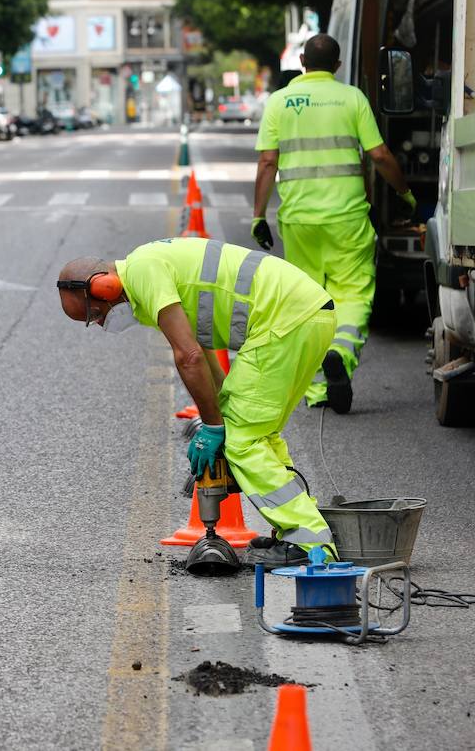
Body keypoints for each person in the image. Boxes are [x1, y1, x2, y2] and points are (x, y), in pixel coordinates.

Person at [57, 238, 338, 567]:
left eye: (95, 315)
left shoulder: (144, 271)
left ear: (104, 288)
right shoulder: (146, 283)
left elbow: (188, 357)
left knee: (243, 441)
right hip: (304, 317)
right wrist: (220, 411)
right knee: (257, 433)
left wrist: (214, 427)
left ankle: (310, 540)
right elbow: (201, 351)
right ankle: (294, 529)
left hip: (285, 321)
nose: (101, 324)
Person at [250, 34, 415, 414]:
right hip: (347, 220)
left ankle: (316, 388)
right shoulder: (352, 97)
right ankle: (340, 353)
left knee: (307, 300)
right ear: (338, 65)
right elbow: (379, 155)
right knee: (353, 294)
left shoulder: (279, 102)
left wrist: (258, 216)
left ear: (303, 60)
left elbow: (267, 163)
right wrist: (404, 193)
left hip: (298, 221)